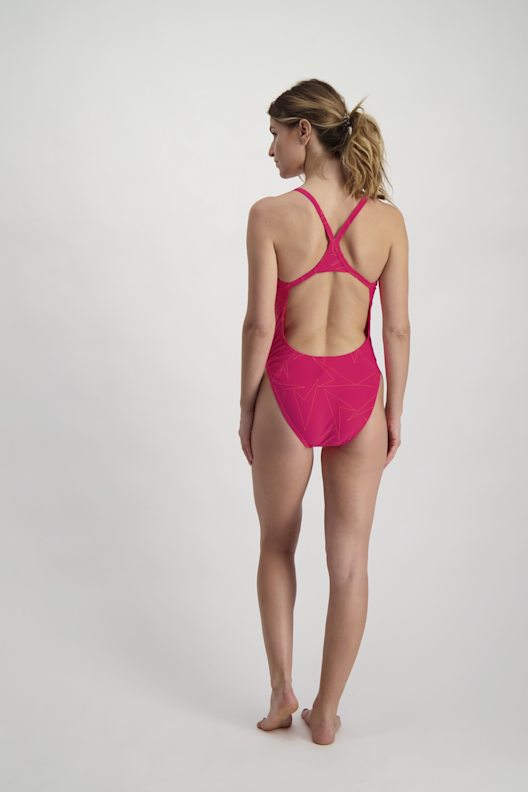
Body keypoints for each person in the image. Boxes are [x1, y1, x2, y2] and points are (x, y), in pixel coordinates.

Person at [239, 78, 410, 745]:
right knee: (351, 563)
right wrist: (394, 411)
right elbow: (396, 330)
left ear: (303, 131)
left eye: (275, 134)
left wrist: (246, 405)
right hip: (360, 394)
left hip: (288, 389)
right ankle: (328, 713)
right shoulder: (387, 221)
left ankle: (283, 691)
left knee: (276, 544)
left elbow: (260, 325)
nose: (271, 149)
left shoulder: (269, 215)